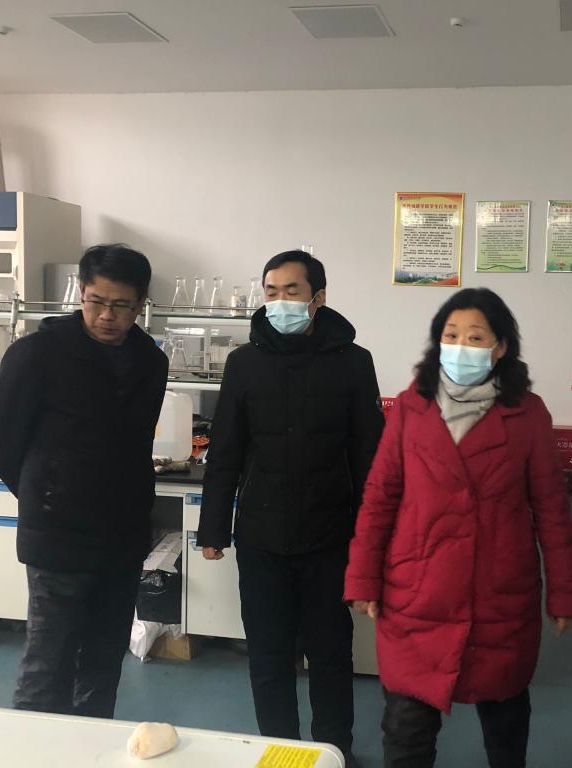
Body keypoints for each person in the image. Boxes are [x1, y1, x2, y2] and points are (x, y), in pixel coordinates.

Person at [344, 287, 572, 768]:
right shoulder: (411, 407)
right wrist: (362, 578)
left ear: (500, 347)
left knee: (505, 728)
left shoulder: (527, 414)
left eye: (475, 337)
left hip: (498, 596)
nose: (460, 347)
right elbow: (380, 497)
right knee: (406, 732)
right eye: (450, 335)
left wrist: (564, 593)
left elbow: (551, 509)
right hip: (417, 593)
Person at [197, 250, 384, 764]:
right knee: (268, 656)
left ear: (318, 298)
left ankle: (332, 753)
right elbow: (226, 450)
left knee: (330, 656)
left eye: (292, 291)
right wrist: (213, 528)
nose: (280, 301)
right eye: (271, 291)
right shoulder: (244, 363)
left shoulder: (353, 362)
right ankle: (279, 752)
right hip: (261, 537)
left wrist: (373, 540)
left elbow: (370, 457)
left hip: (330, 536)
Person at [0, 243, 168, 717]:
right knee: (48, 663)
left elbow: (136, 440)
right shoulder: (37, 354)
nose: (107, 316)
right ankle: (36, 747)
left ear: (140, 305)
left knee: (104, 661)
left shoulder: (150, 361)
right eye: (96, 301)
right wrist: (46, 492)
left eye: (121, 305)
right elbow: (0, 439)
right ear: (81, 292)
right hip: (58, 535)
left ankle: (92, 742)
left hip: (123, 535)